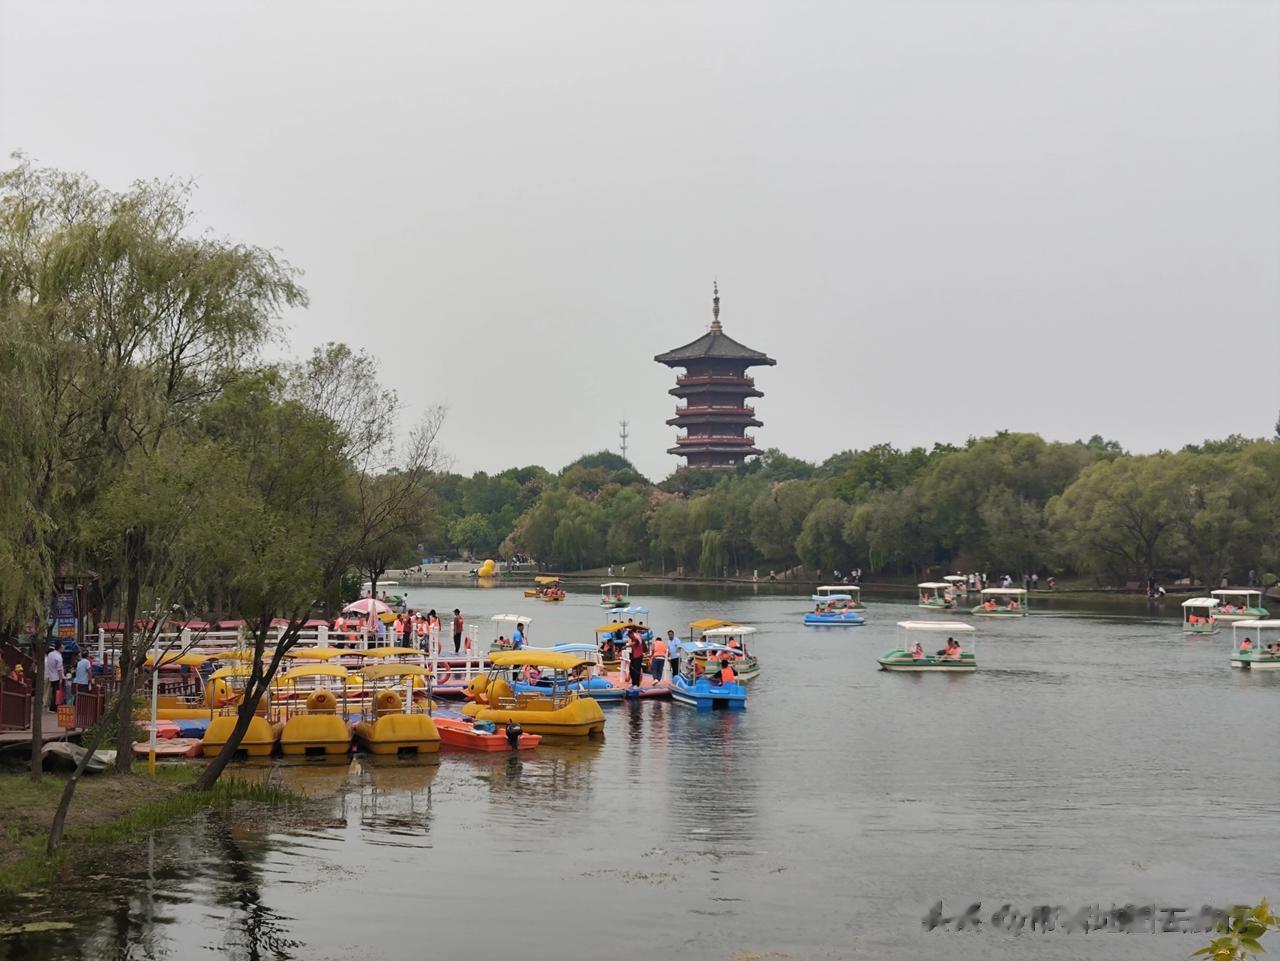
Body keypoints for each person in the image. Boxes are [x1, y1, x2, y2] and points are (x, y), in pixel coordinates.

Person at [46, 641, 65, 711]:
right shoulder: (58, 657)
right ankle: (54, 708)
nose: (63, 648)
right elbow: (59, 669)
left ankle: (52, 706)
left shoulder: (50, 654)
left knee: (53, 692)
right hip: (57, 677)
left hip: (51, 676)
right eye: (62, 647)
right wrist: (61, 679)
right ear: (59, 648)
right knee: (56, 693)